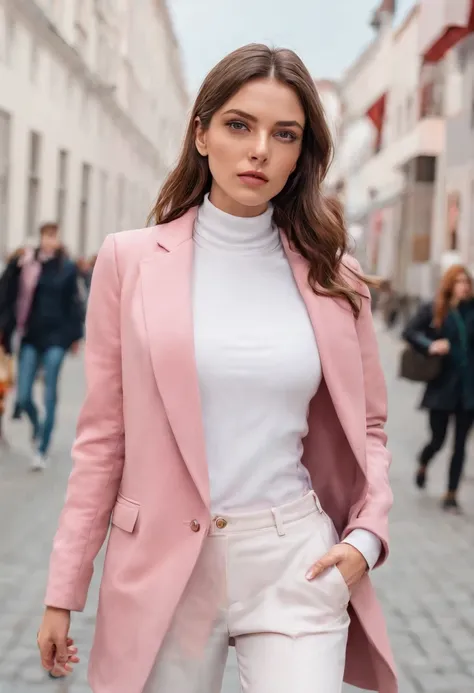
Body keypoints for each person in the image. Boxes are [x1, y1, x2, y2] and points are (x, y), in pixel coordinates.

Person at [37, 45, 396, 693]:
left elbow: (369, 424)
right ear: (201, 133)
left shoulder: (335, 279)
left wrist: (366, 536)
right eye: (238, 124)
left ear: (300, 154)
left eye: (283, 134)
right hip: (166, 565)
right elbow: (102, 438)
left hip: (297, 561)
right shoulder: (131, 261)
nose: (259, 148)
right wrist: (65, 586)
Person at [0, 223, 83, 469]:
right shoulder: (28, 265)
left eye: (53, 236)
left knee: (49, 394)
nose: (50, 241)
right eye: (46, 236)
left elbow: (75, 303)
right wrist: (16, 265)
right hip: (31, 337)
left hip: (56, 339)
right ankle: (36, 426)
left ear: (58, 240)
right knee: (23, 395)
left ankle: (42, 448)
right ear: (41, 238)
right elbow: (8, 290)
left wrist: (74, 336)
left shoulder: (66, 268)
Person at [403, 264, 474, 513]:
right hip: (442, 386)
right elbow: (410, 331)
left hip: (468, 388)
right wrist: (430, 345)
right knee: (438, 439)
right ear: (450, 284)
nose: (464, 286)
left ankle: (451, 494)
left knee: (461, 444)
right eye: (459, 281)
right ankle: (424, 461)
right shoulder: (435, 308)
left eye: (467, 282)